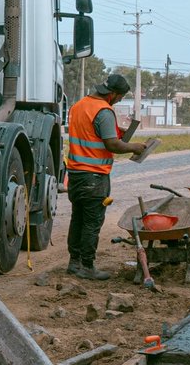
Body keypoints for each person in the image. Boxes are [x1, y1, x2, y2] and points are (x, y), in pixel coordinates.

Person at [64, 72, 151, 280]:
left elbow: (89, 132)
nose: (120, 100)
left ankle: (74, 263)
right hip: (94, 177)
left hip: (75, 174)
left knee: (78, 219)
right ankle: (87, 266)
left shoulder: (79, 106)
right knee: (92, 223)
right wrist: (135, 147)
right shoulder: (104, 111)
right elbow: (112, 144)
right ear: (112, 94)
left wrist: (114, 130)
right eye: (120, 97)